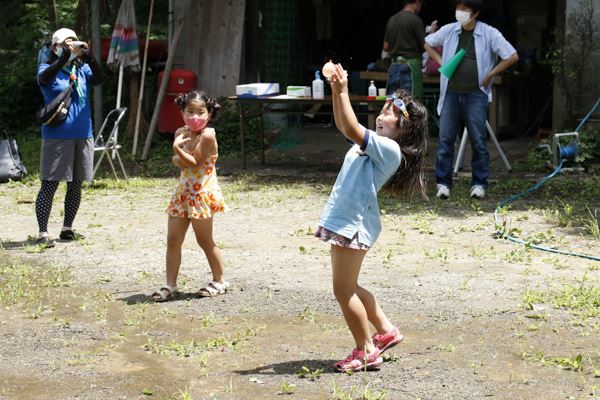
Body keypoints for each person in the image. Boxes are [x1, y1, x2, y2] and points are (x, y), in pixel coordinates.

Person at [315, 63, 428, 372]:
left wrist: (342, 90)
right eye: (383, 109)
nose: (381, 115)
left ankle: (366, 349)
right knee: (349, 285)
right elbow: (343, 124)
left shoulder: (390, 149)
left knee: (343, 290)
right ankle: (385, 329)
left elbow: (351, 128)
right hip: (347, 220)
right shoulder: (378, 144)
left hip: (353, 224)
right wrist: (336, 91)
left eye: (390, 113)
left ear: (404, 127)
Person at [425, 0, 518, 199]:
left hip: (476, 93)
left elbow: (511, 56)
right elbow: (427, 43)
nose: (460, 12)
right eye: (458, 8)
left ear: (475, 14)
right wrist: (441, 62)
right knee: (445, 139)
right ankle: (443, 183)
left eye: (465, 10)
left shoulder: (489, 32)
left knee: (478, 140)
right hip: (450, 92)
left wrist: (490, 74)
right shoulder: (450, 30)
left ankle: (479, 183)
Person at [152, 90, 229, 302]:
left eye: (200, 112)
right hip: (183, 193)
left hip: (202, 194)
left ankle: (220, 280)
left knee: (204, 240)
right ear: (183, 112)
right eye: (190, 111)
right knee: (173, 240)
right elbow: (178, 162)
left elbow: (193, 162)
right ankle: (170, 285)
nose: (195, 116)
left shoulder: (208, 135)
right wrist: (179, 156)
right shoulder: (181, 131)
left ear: (209, 114)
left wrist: (177, 148)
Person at [35, 28, 104, 248]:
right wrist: (63, 57)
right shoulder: (48, 68)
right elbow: (44, 79)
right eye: (67, 43)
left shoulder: (81, 69)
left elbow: (100, 79)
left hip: (83, 134)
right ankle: (43, 232)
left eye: (75, 42)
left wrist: (89, 56)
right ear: (56, 47)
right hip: (57, 137)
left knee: (75, 184)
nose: (72, 46)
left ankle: (67, 229)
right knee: (50, 184)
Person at [383, 0, 427, 100]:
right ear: (417, 2)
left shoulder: (392, 19)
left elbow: (385, 46)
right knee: (410, 103)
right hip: (410, 67)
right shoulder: (415, 20)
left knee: (393, 102)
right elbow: (425, 45)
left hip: (394, 66)